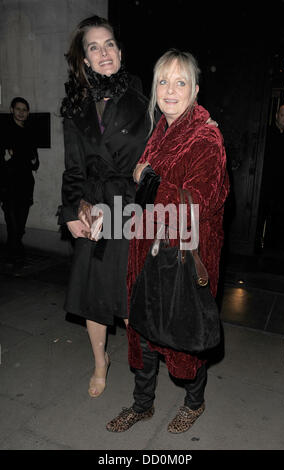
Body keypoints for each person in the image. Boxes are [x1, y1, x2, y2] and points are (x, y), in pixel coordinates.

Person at [106, 49, 229, 434]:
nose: (170, 90)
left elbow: (200, 202)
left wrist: (148, 179)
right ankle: (142, 404)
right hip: (148, 249)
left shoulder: (206, 136)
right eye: (163, 81)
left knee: (183, 333)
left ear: (194, 88)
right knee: (141, 328)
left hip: (183, 254)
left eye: (180, 82)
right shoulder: (159, 129)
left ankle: (194, 402)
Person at [58, 15, 151, 399]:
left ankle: (142, 368)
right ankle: (100, 362)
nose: (103, 52)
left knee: (130, 297)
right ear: (84, 59)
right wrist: (71, 212)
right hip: (95, 209)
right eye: (93, 47)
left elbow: (169, 134)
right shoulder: (75, 108)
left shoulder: (143, 97)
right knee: (94, 298)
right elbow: (74, 168)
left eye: (109, 43)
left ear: (119, 50)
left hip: (130, 206)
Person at [0, 97, 39, 259]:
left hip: (25, 182)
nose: (21, 112)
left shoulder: (29, 132)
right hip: (8, 183)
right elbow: (6, 158)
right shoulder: (5, 131)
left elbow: (35, 162)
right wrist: (20, 158)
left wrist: (22, 157)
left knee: (20, 223)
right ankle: (16, 252)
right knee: (12, 221)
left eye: (24, 110)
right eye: (18, 109)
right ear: (11, 110)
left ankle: (13, 249)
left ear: (28, 112)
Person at [259, 103, 284, 249]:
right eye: (283, 115)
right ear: (276, 115)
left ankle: (274, 247)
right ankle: (258, 245)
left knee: (279, 217)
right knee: (261, 214)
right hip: (265, 181)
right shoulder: (266, 133)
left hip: (283, 184)